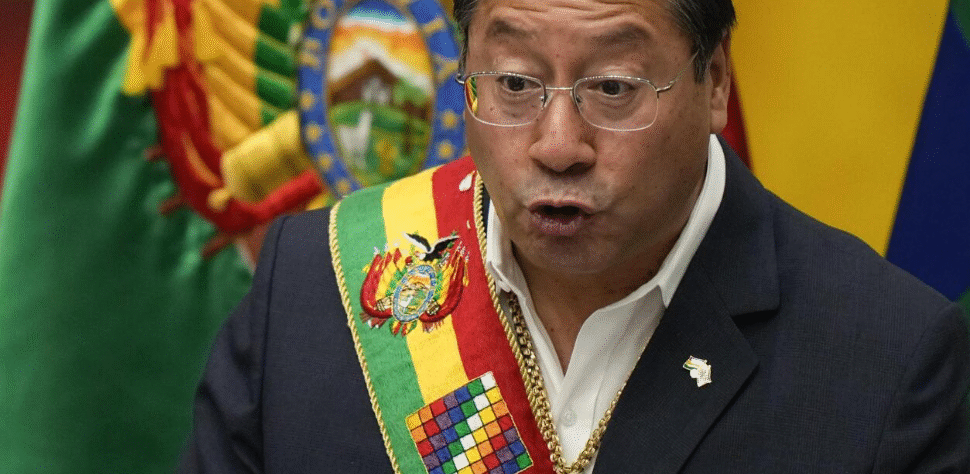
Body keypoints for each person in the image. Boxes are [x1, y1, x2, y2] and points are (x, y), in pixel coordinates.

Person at [179, 0, 970, 472]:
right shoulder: (317, 295)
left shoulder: (889, 362)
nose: (559, 143)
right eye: (515, 83)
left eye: (614, 88)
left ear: (717, 81)